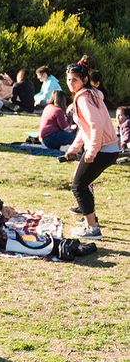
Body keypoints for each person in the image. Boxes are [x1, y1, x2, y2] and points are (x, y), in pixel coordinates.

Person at [64, 63, 120, 240]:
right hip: (109, 148)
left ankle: (93, 229)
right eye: (68, 80)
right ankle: (90, 220)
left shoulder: (83, 98)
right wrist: (73, 149)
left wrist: (92, 151)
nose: (71, 83)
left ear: (85, 80)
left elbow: (96, 125)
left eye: (75, 80)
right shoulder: (91, 94)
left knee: (78, 186)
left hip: (103, 149)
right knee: (84, 183)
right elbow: (85, 128)